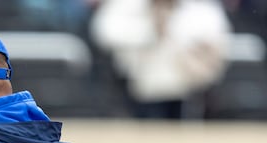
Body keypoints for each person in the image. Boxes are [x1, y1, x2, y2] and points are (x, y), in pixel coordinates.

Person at [89, 0, 231, 119]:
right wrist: (151, 30)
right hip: (139, 90)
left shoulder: (200, 7)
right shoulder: (126, 5)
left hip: (186, 91)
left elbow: (217, 41)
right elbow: (105, 32)